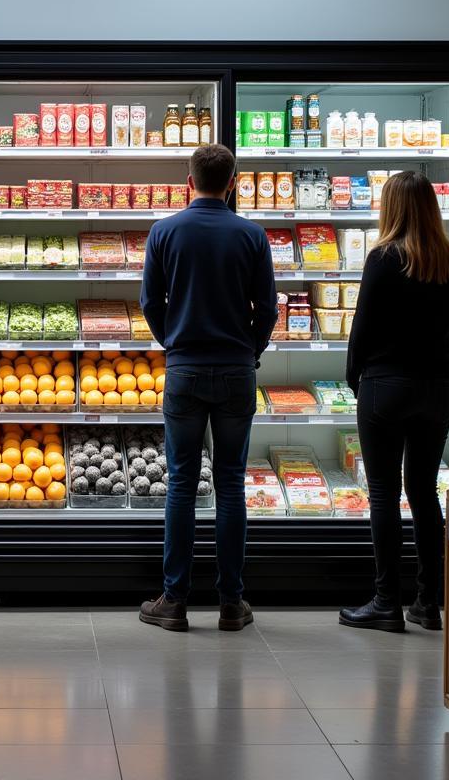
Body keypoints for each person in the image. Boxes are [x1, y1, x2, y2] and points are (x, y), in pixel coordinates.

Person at [138, 144, 278, 632]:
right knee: (231, 483)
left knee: (180, 483)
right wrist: (249, 350)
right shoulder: (252, 235)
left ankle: (174, 600)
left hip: (185, 373)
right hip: (237, 372)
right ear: (234, 182)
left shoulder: (164, 231)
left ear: (188, 179)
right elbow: (269, 308)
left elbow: (150, 302)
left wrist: (173, 342)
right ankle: (231, 603)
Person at [340, 170, 449, 633]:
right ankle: (429, 602)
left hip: (386, 385)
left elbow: (363, 327)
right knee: (423, 491)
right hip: (436, 389)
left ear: (391, 208)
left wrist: (356, 379)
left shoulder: (383, 258)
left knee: (383, 494)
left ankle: (385, 601)